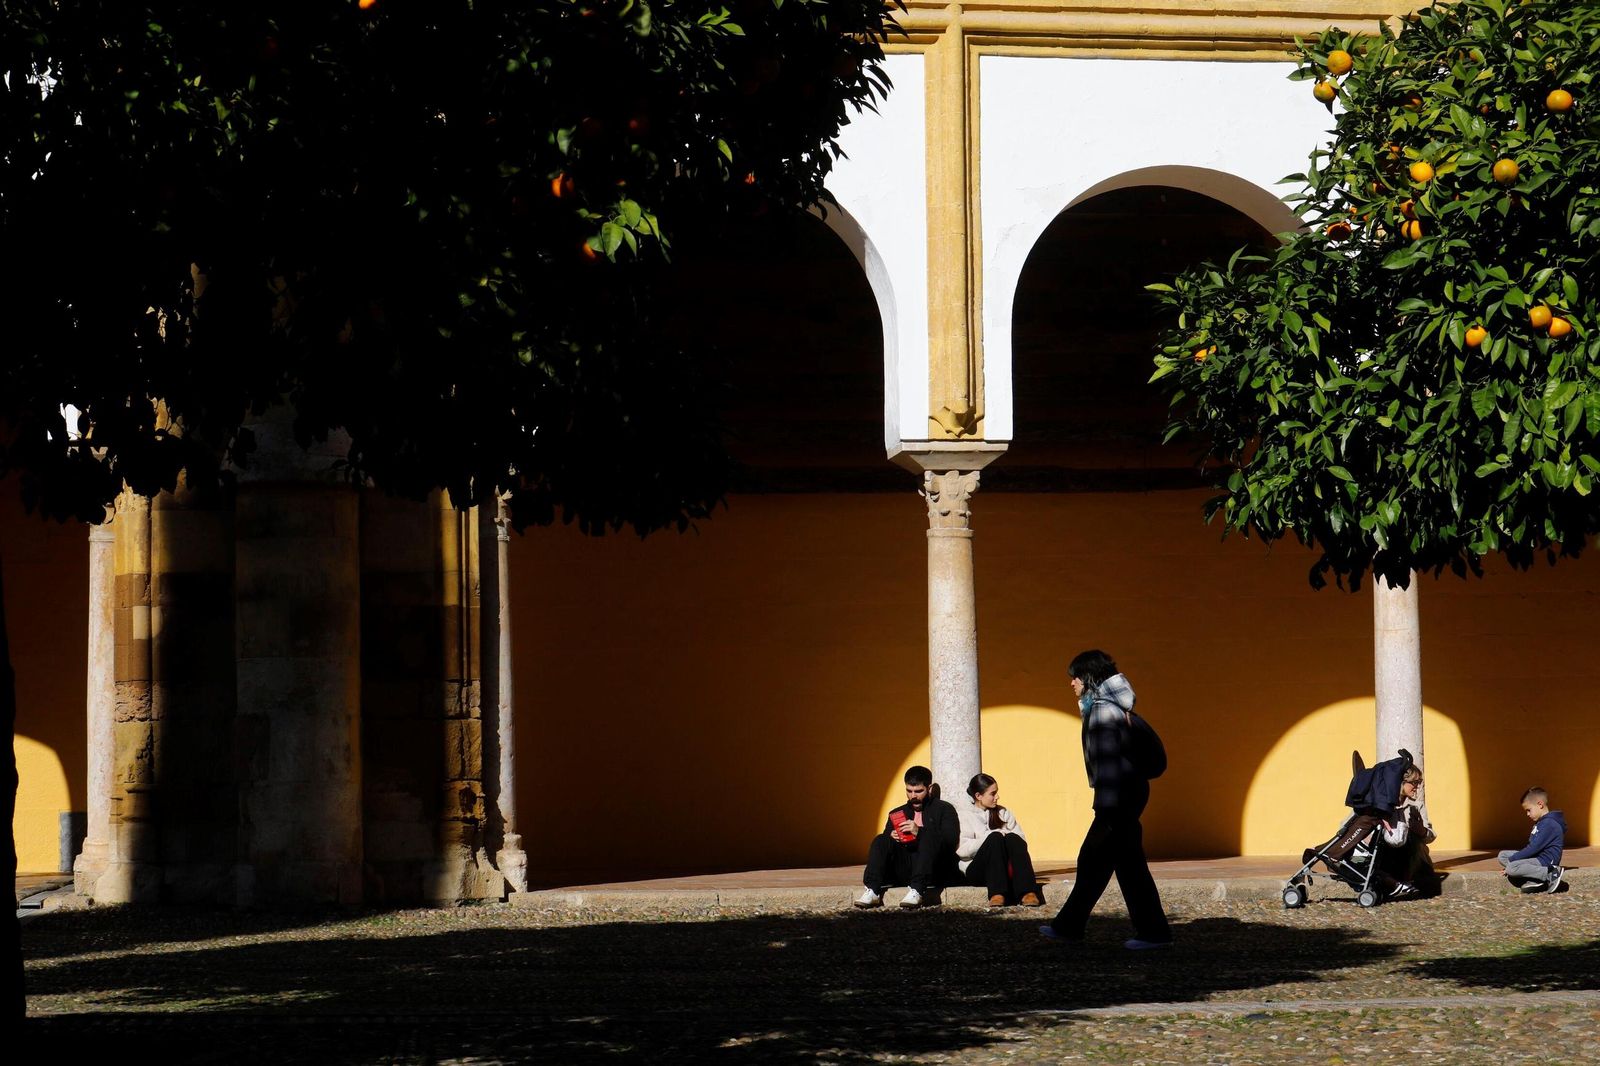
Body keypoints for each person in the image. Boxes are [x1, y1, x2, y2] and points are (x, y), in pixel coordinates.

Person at [1040, 650, 1172, 949]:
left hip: (1117, 799)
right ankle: (1070, 926)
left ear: (1088, 678)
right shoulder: (1115, 707)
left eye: (1074, 677)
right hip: (1128, 794)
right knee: (1115, 863)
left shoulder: (1101, 711)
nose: (1071, 683)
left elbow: (1108, 762)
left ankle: (1152, 933)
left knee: (1101, 860)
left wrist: (1105, 804)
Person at [855, 764, 960, 909]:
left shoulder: (944, 809)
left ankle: (917, 890)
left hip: (934, 869)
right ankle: (872, 890)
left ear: (929, 789)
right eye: (909, 791)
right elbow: (885, 849)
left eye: (919, 791)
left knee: (928, 836)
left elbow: (951, 841)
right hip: (905, 868)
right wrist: (891, 837)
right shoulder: (898, 813)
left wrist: (920, 832)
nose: (913, 796)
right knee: (881, 839)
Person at [957, 773, 1044, 908]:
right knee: (995, 838)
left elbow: (1021, 842)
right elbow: (962, 850)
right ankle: (997, 894)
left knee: (1013, 838)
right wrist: (990, 837)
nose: (997, 797)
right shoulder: (965, 816)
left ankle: (1028, 892)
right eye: (993, 793)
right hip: (976, 869)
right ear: (978, 796)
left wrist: (1004, 835)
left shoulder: (1004, 813)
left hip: (1005, 868)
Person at [1375, 764, 1439, 898]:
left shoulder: (1417, 806)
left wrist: (1421, 830)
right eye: (1414, 782)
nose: (1417, 786)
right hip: (1389, 854)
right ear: (1401, 782)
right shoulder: (1381, 805)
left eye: (1419, 782)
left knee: (1412, 838)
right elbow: (1349, 824)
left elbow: (1431, 836)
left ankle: (1403, 882)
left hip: (1412, 858)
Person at [1498, 787, 1566, 893]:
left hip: (1546, 861)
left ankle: (1550, 873)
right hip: (1537, 857)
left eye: (1528, 810)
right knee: (1502, 856)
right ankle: (1535, 878)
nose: (1527, 814)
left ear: (1540, 804)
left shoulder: (1549, 824)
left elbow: (1534, 848)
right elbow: (1533, 847)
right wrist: (1514, 859)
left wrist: (1513, 861)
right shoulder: (1541, 822)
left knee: (1512, 867)